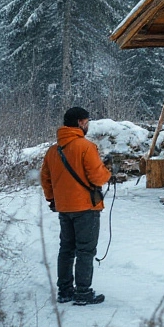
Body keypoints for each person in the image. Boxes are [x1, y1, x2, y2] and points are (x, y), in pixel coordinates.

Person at [40, 106, 111, 306]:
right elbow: (98, 177)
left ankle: (64, 291)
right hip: (86, 207)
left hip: (64, 207)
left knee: (66, 249)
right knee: (85, 250)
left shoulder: (53, 150)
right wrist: (107, 171)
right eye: (87, 121)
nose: (88, 125)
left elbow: (45, 178)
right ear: (80, 122)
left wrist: (52, 199)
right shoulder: (86, 147)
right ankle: (83, 292)